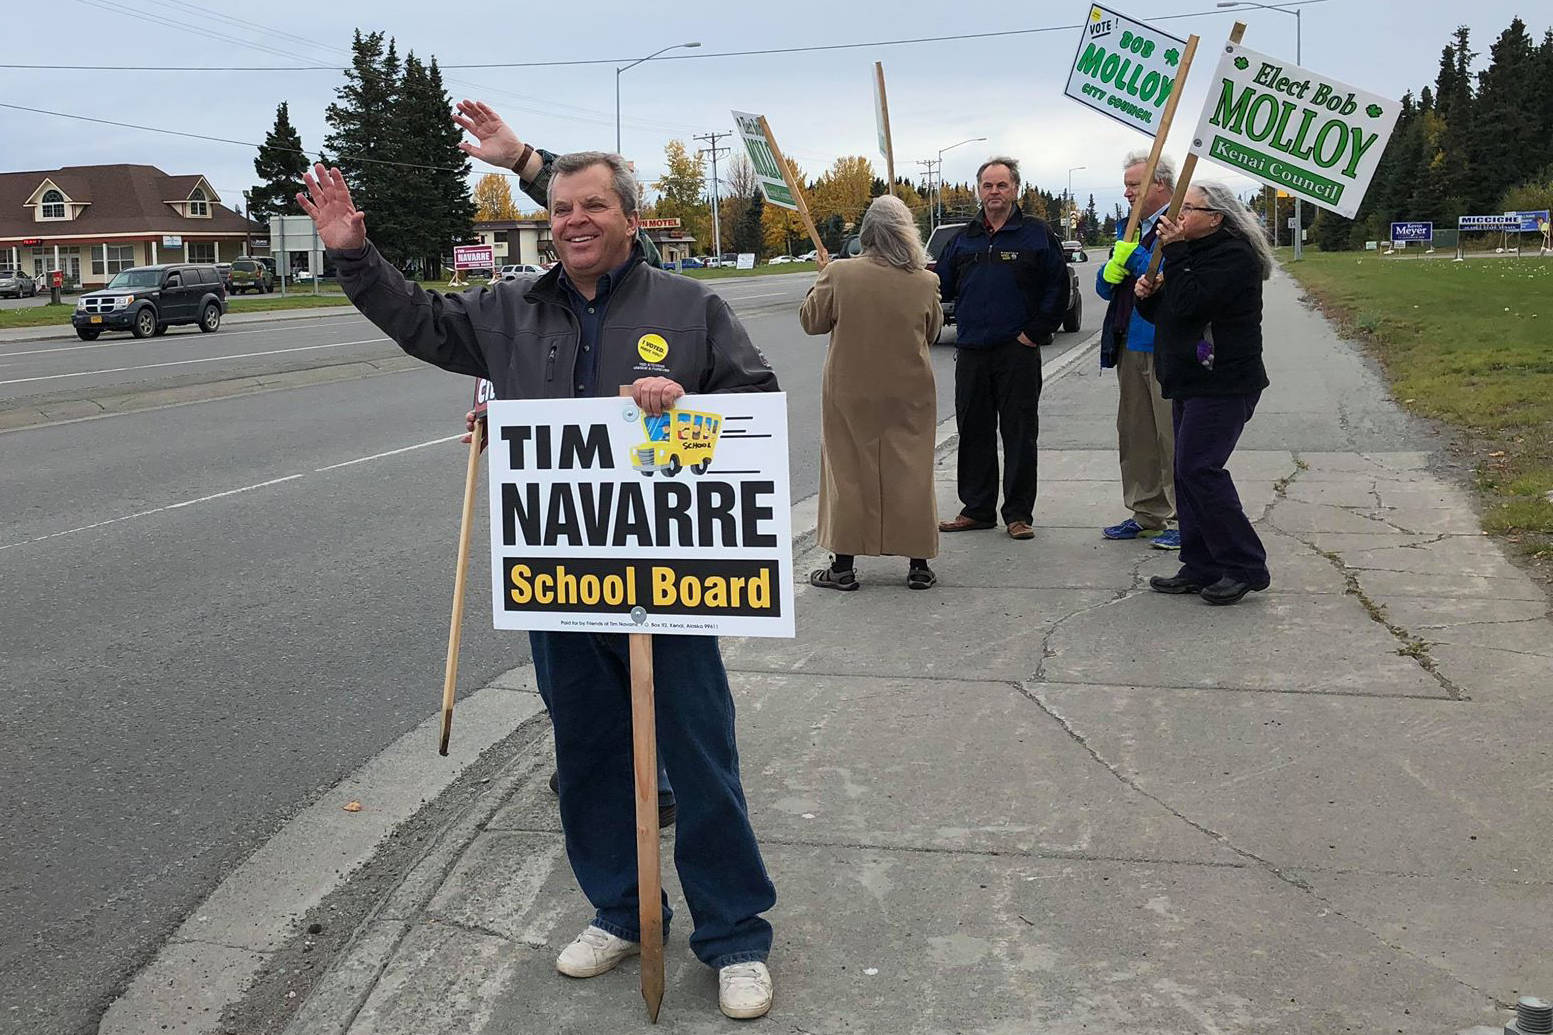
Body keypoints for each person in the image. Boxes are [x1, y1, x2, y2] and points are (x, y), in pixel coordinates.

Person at [297, 123, 780, 1020]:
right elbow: (420, 321)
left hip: (668, 584)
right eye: (560, 208)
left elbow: (756, 409)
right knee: (588, 753)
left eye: (594, 204)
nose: (574, 220)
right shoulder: (506, 309)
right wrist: (355, 255)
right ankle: (623, 911)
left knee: (699, 755)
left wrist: (684, 409)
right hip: (559, 576)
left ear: (630, 217)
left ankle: (736, 932)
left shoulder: (689, 306)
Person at [1133, 181, 1273, 606]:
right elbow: (1175, 314)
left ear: (1216, 218)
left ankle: (1246, 565)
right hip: (1191, 379)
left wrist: (1175, 254)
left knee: (1200, 468)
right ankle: (1200, 563)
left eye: (1188, 209)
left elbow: (1196, 303)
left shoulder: (1234, 256)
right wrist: (1147, 298)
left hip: (1224, 382)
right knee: (1184, 470)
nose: (1177, 218)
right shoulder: (1192, 255)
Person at [799, 194, 944, 590]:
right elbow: (931, 332)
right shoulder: (925, 279)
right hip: (909, 389)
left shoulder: (840, 273)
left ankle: (843, 565)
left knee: (847, 471)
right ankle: (918, 564)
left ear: (867, 232)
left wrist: (822, 276)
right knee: (912, 471)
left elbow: (812, 322)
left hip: (850, 388)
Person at [934, 156, 1068, 541]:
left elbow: (1056, 290)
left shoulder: (1036, 234)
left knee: (1019, 433)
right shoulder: (963, 238)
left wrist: (1034, 334)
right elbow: (940, 284)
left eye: (1002, 185)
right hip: (973, 351)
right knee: (973, 431)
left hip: (1018, 352)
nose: (994, 192)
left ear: (1016, 190)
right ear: (979, 191)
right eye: (988, 186)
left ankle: (1018, 514)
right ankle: (976, 509)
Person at [1096, 152, 1179, 550]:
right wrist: (1109, 272)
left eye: (1134, 185)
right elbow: (1105, 287)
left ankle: (1185, 516)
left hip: (1164, 343)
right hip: (1127, 339)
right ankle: (1146, 512)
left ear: (1159, 185)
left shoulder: (1178, 223)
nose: (1127, 192)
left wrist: (1142, 260)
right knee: (1136, 432)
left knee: (1172, 434)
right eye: (1127, 184)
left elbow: (1174, 278)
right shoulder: (1128, 227)